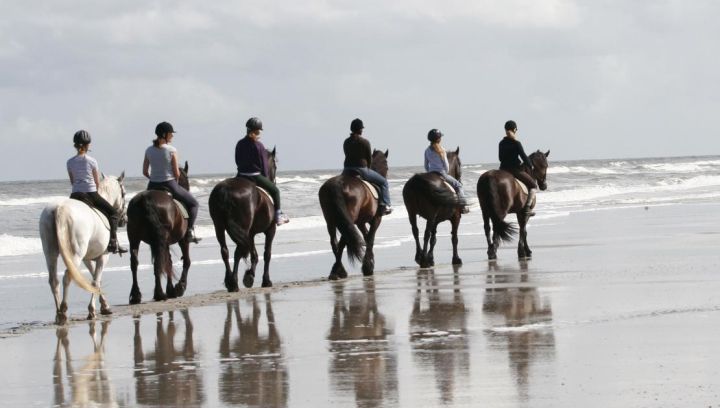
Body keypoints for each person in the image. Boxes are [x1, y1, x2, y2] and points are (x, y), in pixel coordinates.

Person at [67, 130, 127, 254]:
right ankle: (113, 242)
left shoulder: (69, 162)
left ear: (75, 145)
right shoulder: (92, 161)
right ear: (87, 145)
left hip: (75, 195)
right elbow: (97, 183)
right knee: (114, 213)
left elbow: (73, 182)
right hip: (90, 193)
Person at [143, 121, 201, 243]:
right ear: (165, 134)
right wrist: (176, 179)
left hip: (152, 185)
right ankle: (189, 231)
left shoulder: (148, 150)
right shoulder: (171, 150)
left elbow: (145, 171)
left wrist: (154, 178)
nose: (172, 136)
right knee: (194, 204)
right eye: (171, 133)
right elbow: (177, 173)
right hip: (169, 184)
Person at [235, 117, 289, 225]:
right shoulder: (259, 146)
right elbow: (264, 165)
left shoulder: (240, 143)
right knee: (275, 191)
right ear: (257, 131)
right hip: (254, 176)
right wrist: (264, 176)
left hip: (241, 175)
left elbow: (237, 160)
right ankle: (278, 216)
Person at [342, 118, 392, 215]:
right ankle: (385, 205)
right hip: (361, 169)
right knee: (384, 182)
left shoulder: (346, 142)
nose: (362, 130)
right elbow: (369, 159)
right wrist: (368, 168)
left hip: (346, 170)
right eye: (362, 128)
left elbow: (346, 154)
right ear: (359, 129)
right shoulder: (364, 142)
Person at [424, 129, 470, 214]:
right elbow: (446, 165)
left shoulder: (427, 151)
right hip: (442, 173)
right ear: (438, 139)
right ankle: (463, 206)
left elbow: (426, 166)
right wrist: (446, 172)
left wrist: (430, 172)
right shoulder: (442, 150)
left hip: (431, 174)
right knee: (458, 185)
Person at [499, 120, 537, 217]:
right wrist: (530, 166)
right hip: (514, 170)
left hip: (502, 169)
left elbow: (500, 158)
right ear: (515, 129)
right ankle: (527, 208)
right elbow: (523, 157)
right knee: (533, 186)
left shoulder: (501, 143)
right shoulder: (516, 143)